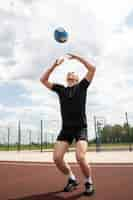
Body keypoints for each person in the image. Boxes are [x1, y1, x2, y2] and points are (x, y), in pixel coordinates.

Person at [40, 53, 96, 195]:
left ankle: (89, 182)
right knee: (57, 158)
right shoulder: (61, 89)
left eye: (73, 74)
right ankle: (72, 179)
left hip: (80, 128)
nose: (70, 75)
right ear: (67, 79)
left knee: (80, 157)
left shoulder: (82, 87)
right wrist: (54, 66)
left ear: (77, 79)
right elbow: (43, 80)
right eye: (68, 74)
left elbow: (92, 69)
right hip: (66, 129)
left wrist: (78, 58)